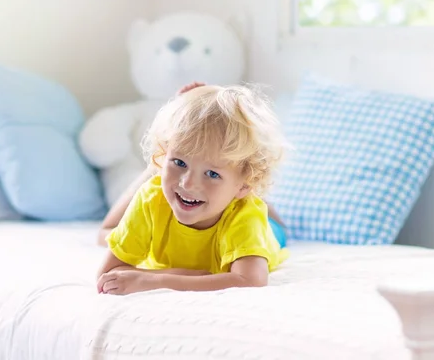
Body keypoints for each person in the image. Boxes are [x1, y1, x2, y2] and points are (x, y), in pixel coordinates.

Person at [96, 84, 289, 295]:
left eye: (212, 174)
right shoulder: (151, 200)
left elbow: (251, 281)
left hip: (268, 229)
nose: (187, 183)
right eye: (179, 162)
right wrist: (182, 274)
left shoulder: (246, 216)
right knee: (106, 233)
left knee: (270, 220)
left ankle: (241, 186)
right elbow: (109, 274)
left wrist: (154, 280)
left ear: (244, 186)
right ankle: (198, 116)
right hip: (206, 191)